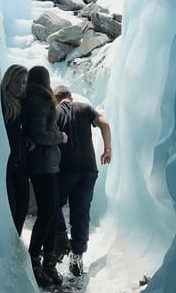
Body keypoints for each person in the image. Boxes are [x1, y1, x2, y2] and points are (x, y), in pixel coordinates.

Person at [51, 85, 112, 277]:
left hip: (63, 170)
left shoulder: (54, 111)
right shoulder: (85, 108)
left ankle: (60, 238)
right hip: (87, 170)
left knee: (53, 205)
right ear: (70, 97)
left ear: (56, 98)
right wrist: (107, 149)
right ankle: (77, 255)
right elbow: (105, 124)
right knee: (81, 212)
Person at [24, 66, 68, 286]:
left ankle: (47, 262)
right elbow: (40, 134)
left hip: (47, 164)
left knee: (50, 213)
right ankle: (35, 261)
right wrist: (59, 136)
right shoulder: (39, 101)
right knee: (48, 213)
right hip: (43, 165)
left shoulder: (35, 100)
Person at [0, 65, 30, 235]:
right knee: (10, 209)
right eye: (17, 82)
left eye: (24, 83)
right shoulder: (1, 103)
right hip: (5, 166)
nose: (20, 86)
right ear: (8, 81)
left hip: (21, 165)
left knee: (22, 208)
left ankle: (14, 244)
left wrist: (27, 139)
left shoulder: (22, 105)